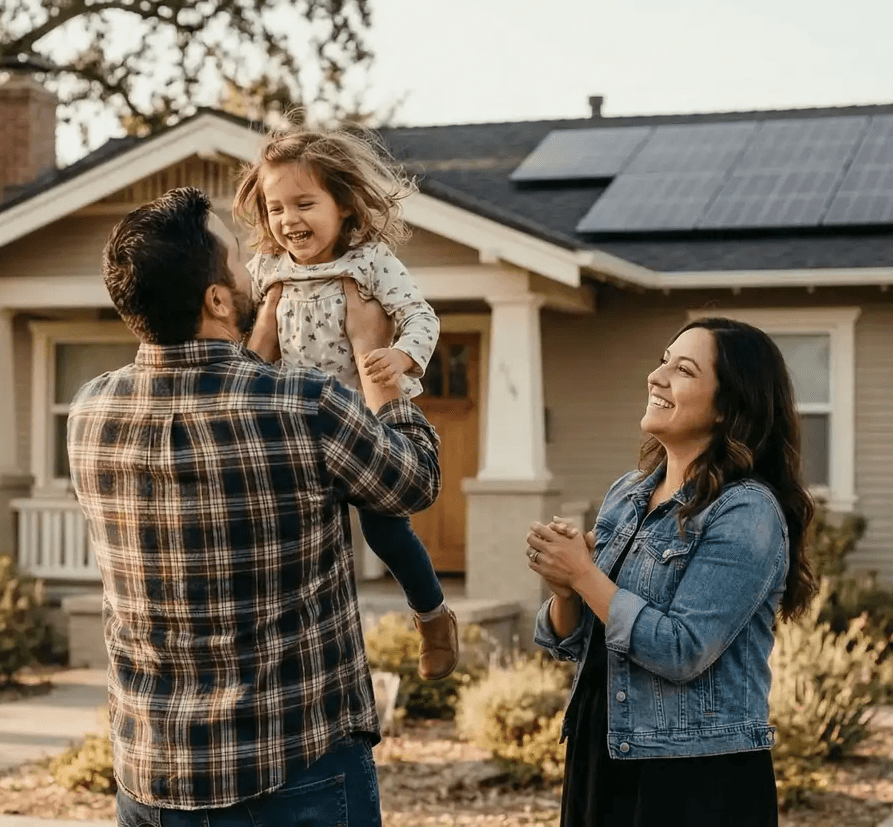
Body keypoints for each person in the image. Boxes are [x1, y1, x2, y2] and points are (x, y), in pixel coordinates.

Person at [67, 186, 441, 826]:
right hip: (298, 769)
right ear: (216, 298)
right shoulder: (305, 404)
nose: (255, 266)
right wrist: (382, 379)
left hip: (153, 776)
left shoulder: (90, 412)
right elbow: (413, 484)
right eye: (239, 260)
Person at [527, 317, 817, 827]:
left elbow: (682, 650)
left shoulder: (745, 511)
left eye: (683, 369)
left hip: (694, 777)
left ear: (729, 408)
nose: (657, 376)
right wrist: (566, 589)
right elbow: (570, 645)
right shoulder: (627, 493)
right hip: (602, 752)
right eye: (663, 360)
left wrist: (586, 576)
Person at [232, 123, 458, 681]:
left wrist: (402, 357)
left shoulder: (371, 262)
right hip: (292, 424)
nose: (289, 221)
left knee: (385, 530)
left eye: (305, 203)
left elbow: (420, 315)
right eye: (276, 207)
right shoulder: (266, 270)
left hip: (361, 420)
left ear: (345, 205)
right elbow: (248, 348)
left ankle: (431, 616)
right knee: (291, 530)